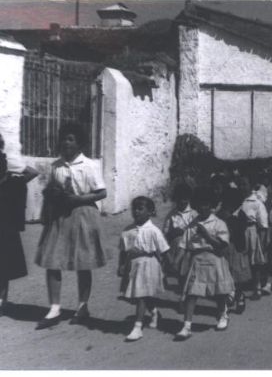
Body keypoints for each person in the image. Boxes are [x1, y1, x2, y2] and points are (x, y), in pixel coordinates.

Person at [35, 123, 108, 330]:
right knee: (52, 260)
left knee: (82, 263)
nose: (66, 143)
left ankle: (82, 306)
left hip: (83, 215)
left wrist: (79, 199)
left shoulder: (89, 165)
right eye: (64, 139)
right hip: (59, 217)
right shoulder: (56, 165)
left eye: (71, 139)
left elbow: (102, 193)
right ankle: (54, 307)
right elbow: (51, 190)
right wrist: (46, 211)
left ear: (79, 143)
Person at [175, 187, 234, 340]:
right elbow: (183, 245)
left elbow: (222, 246)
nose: (203, 208)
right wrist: (176, 262)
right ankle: (187, 325)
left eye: (206, 204)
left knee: (219, 291)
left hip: (214, 259)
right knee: (192, 293)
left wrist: (206, 235)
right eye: (200, 205)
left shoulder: (218, 223)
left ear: (211, 205)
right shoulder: (192, 225)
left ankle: (223, 315)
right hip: (197, 261)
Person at [119, 196, 170, 342]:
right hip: (133, 265)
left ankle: (137, 326)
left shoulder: (154, 231)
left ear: (150, 211)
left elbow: (164, 250)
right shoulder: (127, 230)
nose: (136, 211)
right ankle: (154, 312)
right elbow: (123, 250)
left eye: (140, 208)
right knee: (140, 295)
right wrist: (121, 265)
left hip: (149, 265)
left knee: (141, 295)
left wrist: (167, 267)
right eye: (134, 208)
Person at [0, 152, 28, 315]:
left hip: (5, 227)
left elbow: (31, 172)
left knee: (4, 264)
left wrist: (12, 170)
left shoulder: (11, 182)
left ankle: (2, 299)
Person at [217, 188, 251, 314]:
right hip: (224, 248)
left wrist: (230, 219)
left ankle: (239, 295)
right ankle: (229, 295)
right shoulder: (220, 214)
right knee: (226, 273)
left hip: (236, 247)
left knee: (237, 274)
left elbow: (239, 232)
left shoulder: (240, 215)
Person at [236, 175, 268, 300]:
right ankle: (239, 290)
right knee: (240, 260)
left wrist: (262, 240)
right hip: (238, 232)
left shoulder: (257, 203)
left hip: (251, 231)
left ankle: (257, 287)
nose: (242, 187)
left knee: (254, 261)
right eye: (240, 185)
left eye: (245, 184)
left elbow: (263, 224)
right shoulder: (237, 200)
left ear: (251, 186)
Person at [163, 183, 198, 296]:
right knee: (179, 273)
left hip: (189, 248)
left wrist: (184, 232)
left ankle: (184, 296)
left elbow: (197, 233)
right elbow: (165, 233)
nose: (182, 202)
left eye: (185, 200)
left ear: (188, 199)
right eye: (179, 200)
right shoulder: (172, 215)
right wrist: (172, 233)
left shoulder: (193, 214)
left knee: (186, 273)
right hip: (175, 247)